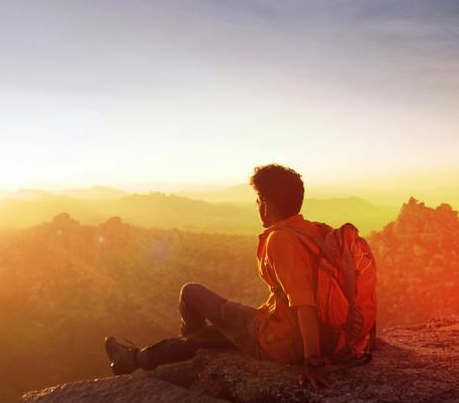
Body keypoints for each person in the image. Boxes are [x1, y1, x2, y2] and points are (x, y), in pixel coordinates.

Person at [104, 164, 333, 388]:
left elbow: (304, 303)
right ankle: (136, 359)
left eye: (258, 201)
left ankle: (182, 353)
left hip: (281, 342)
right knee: (220, 332)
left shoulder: (280, 239)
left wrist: (311, 361)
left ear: (265, 205)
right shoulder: (316, 232)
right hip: (311, 334)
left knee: (191, 293)